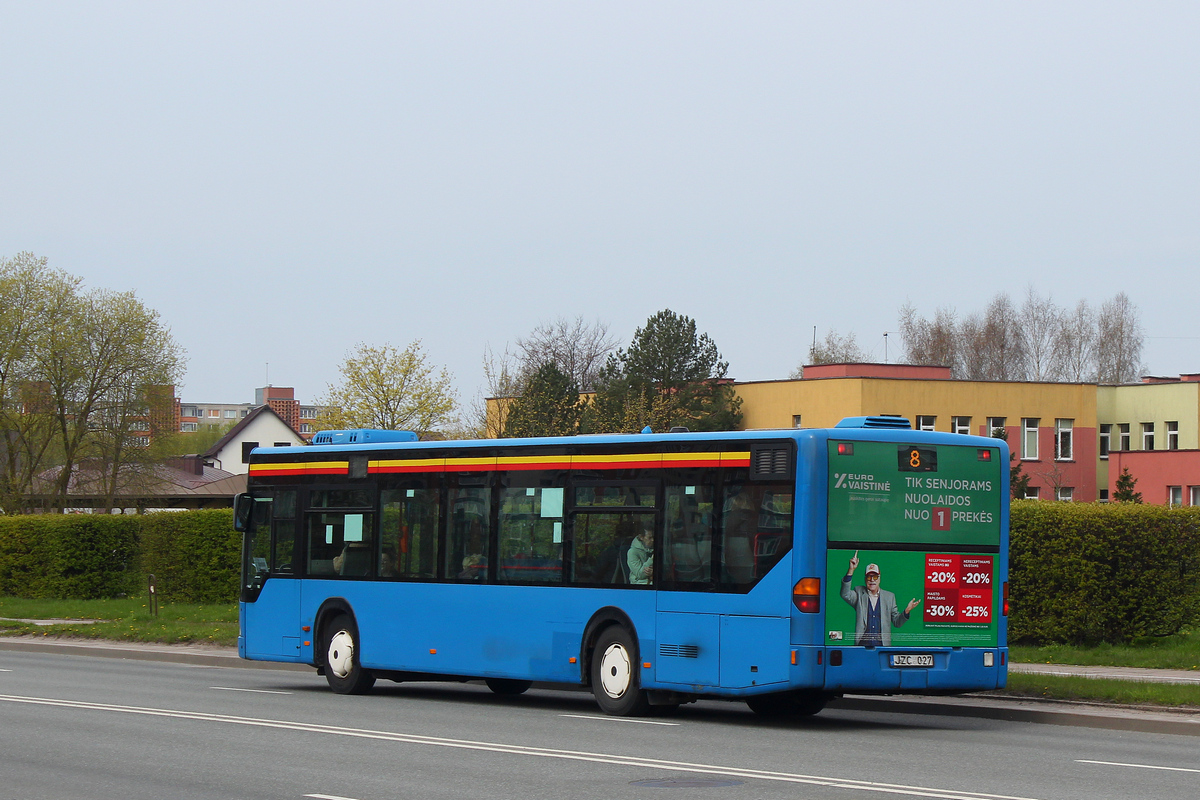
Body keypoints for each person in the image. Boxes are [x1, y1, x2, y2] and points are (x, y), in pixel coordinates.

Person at [840, 551, 919, 646]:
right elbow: (845, 594)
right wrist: (851, 570)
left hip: (882, 646)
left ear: (879, 579)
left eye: (875, 577)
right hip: (862, 646)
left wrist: (906, 611)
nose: (872, 580)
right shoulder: (859, 593)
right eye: (869, 577)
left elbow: (897, 623)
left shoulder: (889, 597)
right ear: (865, 580)